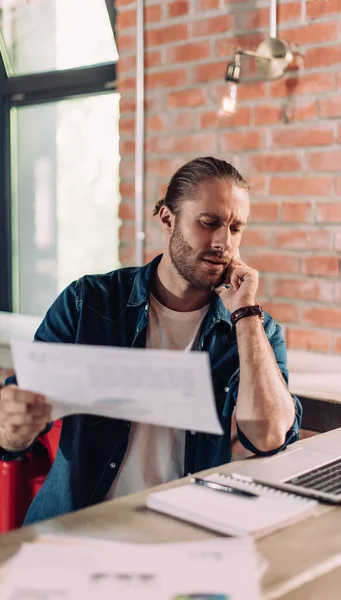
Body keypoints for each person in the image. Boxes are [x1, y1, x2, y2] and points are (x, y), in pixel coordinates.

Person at [0, 157, 302, 525]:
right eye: (209, 223)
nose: (224, 242)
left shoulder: (255, 328)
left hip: (187, 531)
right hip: (78, 529)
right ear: (167, 219)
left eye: (236, 228)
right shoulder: (88, 303)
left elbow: (269, 436)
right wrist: (13, 428)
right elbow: (14, 432)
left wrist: (245, 312)